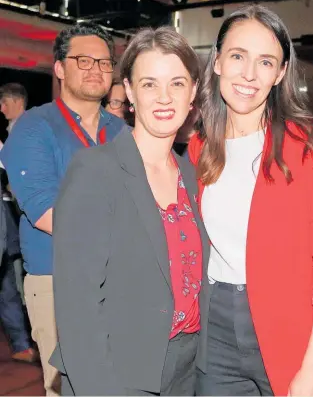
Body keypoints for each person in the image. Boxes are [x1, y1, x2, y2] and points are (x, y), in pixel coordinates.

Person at [187, 4, 313, 396]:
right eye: (237, 57)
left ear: (280, 73)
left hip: (292, 327)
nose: (249, 74)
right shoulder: (199, 147)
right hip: (214, 330)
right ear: (216, 62)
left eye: (266, 62)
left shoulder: (310, 144)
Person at [51, 26, 209, 396]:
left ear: (193, 95)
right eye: (150, 83)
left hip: (184, 370)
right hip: (115, 370)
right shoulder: (95, 170)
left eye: (177, 83)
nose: (164, 97)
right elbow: (78, 308)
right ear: (129, 93)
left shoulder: (192, 175)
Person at [0, 24, 125, 396]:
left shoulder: (122, 132)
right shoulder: (34, 128)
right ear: (59, 68)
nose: (95, 69)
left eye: (104, 62)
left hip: (121, 281)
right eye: (83, 60)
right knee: (69, 388)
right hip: (59, 282)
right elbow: (45, 212)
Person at [0, 83, 37, 363]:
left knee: (8, 281)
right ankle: (21, 342)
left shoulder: (22, 130)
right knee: (8, 281)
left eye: (4, 102)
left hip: (12, 214)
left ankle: (21, 341)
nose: (0, 109)